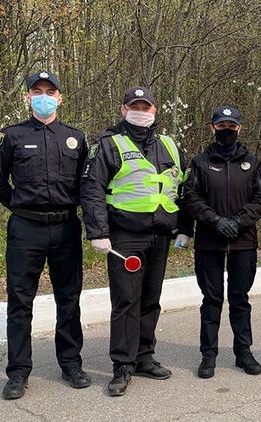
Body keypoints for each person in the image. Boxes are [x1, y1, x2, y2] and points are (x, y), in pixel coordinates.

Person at [80, 86, 189, 396]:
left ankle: (144, 356)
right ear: (123, 109)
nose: (141, 112)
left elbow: (182, 189)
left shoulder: (169, 145)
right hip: (124, 235)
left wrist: (184, 227)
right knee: (126, 300)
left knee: (151, 299)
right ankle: (123, 364)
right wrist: (98, 232)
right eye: (135, 106)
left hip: (160, 234)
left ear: (155, 110)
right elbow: (91, 189)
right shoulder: (108, 143)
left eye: (146, 107)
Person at [0, 71, 91, 399]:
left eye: (50, 91)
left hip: (65, 228)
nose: (43, 96)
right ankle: (18, 372)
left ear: (60, 98)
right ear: (28, 97)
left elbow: (86, 185)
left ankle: (71, 363)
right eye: (37, 91)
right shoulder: (12, 136)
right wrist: (23, 207)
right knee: (20, 301)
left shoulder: (76, 138)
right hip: (26, 229)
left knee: (69, 298)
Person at [180, 105, 261, 379]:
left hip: (244, 241)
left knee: (240, 299)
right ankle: (208, 354)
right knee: (212, 299)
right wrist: (215, 220)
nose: (226, 131)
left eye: (231, 126)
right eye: (221, 126)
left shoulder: (252, 163)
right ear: (213, 128)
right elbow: (190, 197)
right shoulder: (199, 163)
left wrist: (239, 221)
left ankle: (244, 351)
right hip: (210, 242)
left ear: (239, 128)